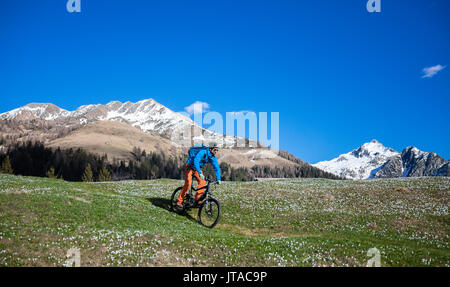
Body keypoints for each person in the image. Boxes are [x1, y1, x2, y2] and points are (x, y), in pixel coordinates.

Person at [176, 144, 221, 210]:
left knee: (202, 182)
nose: (215, 151)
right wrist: (200, 173)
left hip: (197, 169)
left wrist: (218, 179)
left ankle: (197, 200)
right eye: (215, 149)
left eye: (217, 150)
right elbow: (196, 161)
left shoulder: (212, 157)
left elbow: (216, 167)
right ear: (210, 149)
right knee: (188, 183)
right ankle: (179, 201)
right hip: (190, 166)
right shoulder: (203, 152)